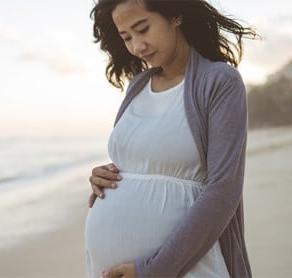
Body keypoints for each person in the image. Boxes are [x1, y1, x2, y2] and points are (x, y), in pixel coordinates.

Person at [84, 0, 259, 277]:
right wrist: (105, 175)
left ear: (175, 15)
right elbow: (145, 161)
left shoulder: (219, 81)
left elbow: (224, 190)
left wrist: (152, 271)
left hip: (184, 268)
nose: (137, 46)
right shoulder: (137, 86)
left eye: (143, 29)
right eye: (126, 37)